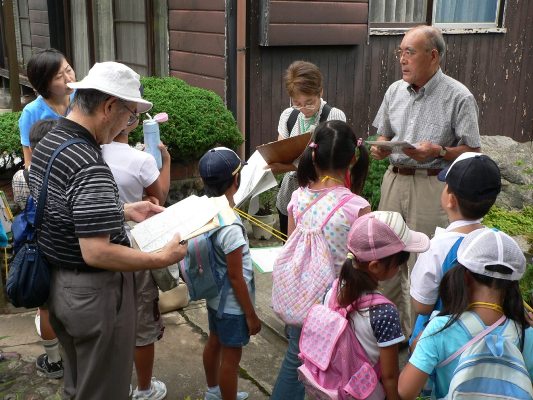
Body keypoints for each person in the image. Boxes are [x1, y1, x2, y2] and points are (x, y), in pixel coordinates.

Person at [28, 61, 188, 399]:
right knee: (105, 391)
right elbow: (96, 251)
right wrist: (161, 258)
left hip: (59, 286)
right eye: (129, 116)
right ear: (109, 106)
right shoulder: (89, 162)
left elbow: (63, 208)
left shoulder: (50, 138)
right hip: (93, 294)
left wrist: (125, 209)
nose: (126, 124)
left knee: (80, 386)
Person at [370, 25, 481, 338]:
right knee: (385, 257)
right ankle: (389, 335)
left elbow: (473, 149)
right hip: (394, 179)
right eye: (400, 52)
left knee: (426, 263)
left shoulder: (459, 96)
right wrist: (381, 145)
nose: (402, 60)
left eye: (410, 52)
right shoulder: (394, 91)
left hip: (432, 183)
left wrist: (441, 150)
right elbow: (385, 132)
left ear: (433, 56)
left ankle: (425, 343)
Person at [271, 120, 371, 399]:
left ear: (313, 154)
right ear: (353, 158)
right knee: (336, 368)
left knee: (295, 358)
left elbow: (292, 247)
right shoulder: (356, 207)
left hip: (300, 298)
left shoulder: (298, 197)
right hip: (338, 304)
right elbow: (361, 263)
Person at [398, 228, 533, 399]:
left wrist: (420, 343)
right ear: (512, 284)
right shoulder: (526, 334)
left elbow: (405, 391)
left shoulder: (440, 329)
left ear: (465, 276)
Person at [322, 211, 430, 400]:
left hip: (335, 384)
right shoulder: (384, 312)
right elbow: (389, 377)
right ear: (375, 266)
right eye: (398, 264)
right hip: (365, 393)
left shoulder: (334, 290)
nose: (398, 269)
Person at [102, 120, 171, 399]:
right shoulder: (141, 158)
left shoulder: (92, 152)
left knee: (110, 316)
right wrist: (165, 161)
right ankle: (144, 389)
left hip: (100, 239)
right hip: (135, 239)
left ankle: (118, 385)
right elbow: (160, 196)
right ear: (128, 120)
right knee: (141, 315)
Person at [409, 152, 501, 349]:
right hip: (483, 339)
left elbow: (421, 305)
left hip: (440, 343)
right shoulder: (497, 241)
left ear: (450, 199)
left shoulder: (436, 247)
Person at [198, 147, 261, 400]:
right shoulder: (231, 227)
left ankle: (213, 392)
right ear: (237, 180)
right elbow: (236, 277)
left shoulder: (207, 211)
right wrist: (252, 315)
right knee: (231, 359)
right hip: (233, 306)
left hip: (214, 297)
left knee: (214, 342)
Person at [11, 119, 67, 379]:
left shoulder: (20, 177)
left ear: (32, 147)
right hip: (63, 245)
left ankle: (54, 362)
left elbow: (22, 206)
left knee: (44, 307)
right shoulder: (64, 172)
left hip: (36, 248)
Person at [269, 60, 346, 236]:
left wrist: (288, 166)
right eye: (297, 103)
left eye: (309, 102)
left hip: (323, 201)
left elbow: (332, 162)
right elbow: (281, 152)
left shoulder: (334, 116)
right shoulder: (288, 115)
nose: (304, 108)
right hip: (289, 198)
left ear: (321, 92)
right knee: (289, 252)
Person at [19, 48, 76, 168]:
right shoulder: (31, 112)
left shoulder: (81, 97)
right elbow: (29, 162)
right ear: (44, 84)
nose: (69, 79)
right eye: (59, 77)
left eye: (69, 70)